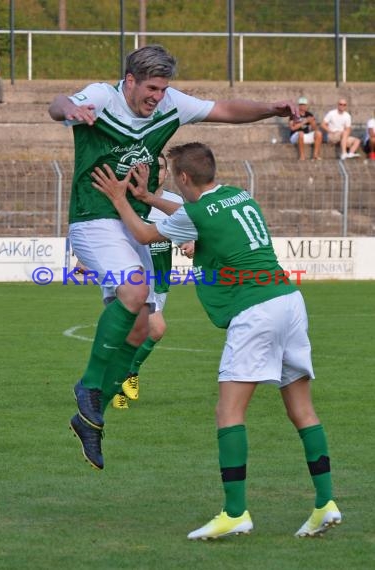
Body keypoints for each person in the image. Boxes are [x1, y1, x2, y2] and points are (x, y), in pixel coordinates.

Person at [48, 44, 296, 472]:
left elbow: (225, 110)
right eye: (150, 88)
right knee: (134, 290)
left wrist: (269, 110)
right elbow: (56, 105)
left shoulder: (171, 103)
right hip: (94, 217)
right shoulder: (103, 98)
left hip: (133, 222)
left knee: (145, 325)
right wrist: (72, 109)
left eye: (162, 89)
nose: (157, 97)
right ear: (129, 81)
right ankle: (89, 388)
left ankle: (90, 417)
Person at [91, 142, 342, 540]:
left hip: (255, 311)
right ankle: (325, 502)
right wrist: (147, 196)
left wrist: (122, 199)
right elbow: (192, 218)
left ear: (185, 178)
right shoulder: (237, 195)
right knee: (302, 410)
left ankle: (235, 512)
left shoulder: (195, 211)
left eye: (175, 176)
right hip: (289, 302)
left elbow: (142, 231)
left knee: (228, 413)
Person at [113, 152, 188, 410]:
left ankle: (118, 384)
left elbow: (185, 232)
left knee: (139, 334)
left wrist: (189, 243)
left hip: (161, 278)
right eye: (152, 168)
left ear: (167, 173)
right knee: (155, 329)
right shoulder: (127, 201)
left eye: (162, 168)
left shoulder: (173, 202)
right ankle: (130, 373)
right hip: (134, 277)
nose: (158, 173)